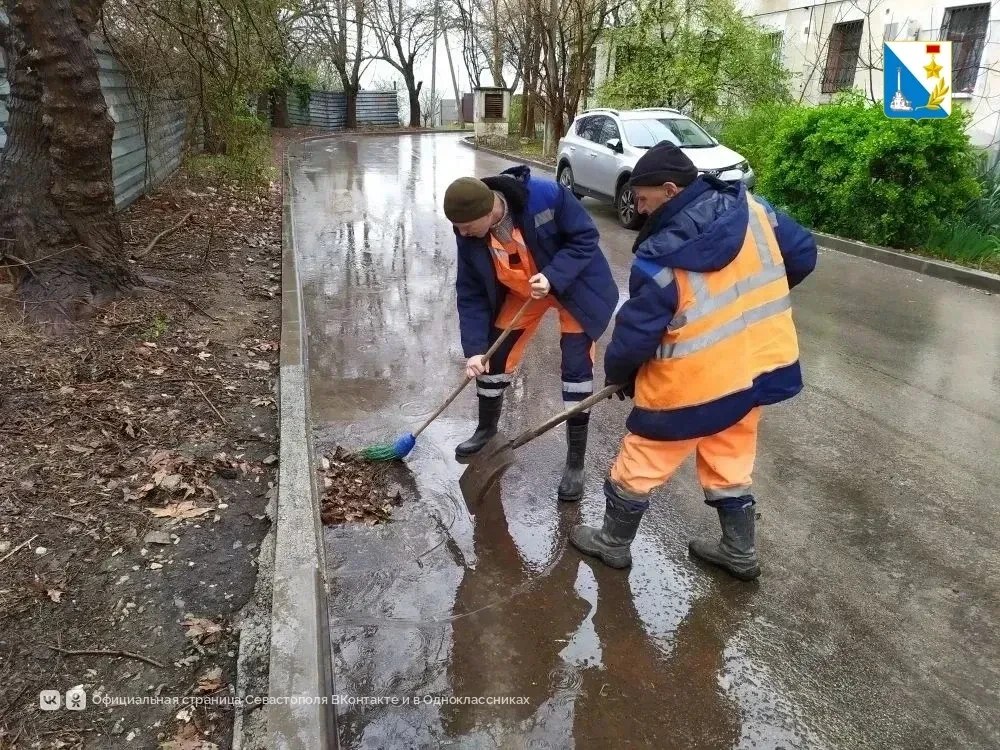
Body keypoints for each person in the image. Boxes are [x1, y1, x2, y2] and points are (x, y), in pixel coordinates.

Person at [570, 142, 817, 579]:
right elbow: (802, 255)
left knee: (643, 458)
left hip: (690, 383)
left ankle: (612, 543)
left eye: (643, 200)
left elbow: (636, 333)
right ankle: (739, 552)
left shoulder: (661, 254)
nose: (640, 210)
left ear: (670, 190)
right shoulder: (755, 210)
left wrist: (620, 374)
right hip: (753, 368)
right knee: (731, 453)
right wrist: (744, 305)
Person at [444, 166, 619, 502]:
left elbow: (585, 237)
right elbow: (471, 292)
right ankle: (486, 431)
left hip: (571, 286)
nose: (463, 235)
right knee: (493, 361)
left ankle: (575, 463)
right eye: (459, 229)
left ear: (489, 211)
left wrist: (553, 275)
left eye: (467, 228)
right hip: (523, 292)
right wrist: (475, 349)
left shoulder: (546, 197)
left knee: (576, 370)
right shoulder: (467, 232)